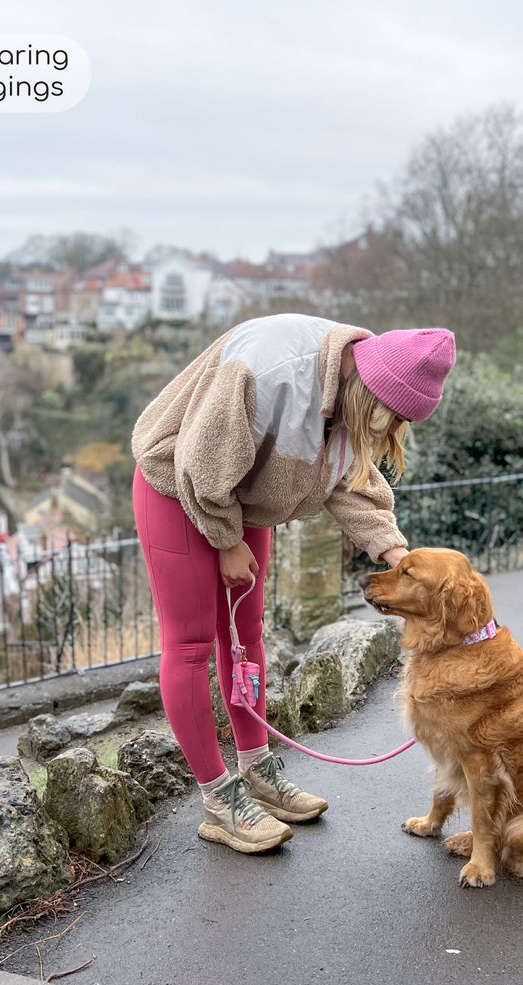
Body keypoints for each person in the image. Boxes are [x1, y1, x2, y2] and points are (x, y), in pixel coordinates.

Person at [131, 313, 456, 854]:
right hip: (180, 484)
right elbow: (198, 463)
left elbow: (350, 485)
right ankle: (219, 799)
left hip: (243, 500)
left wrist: (399, 559)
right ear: (370, 387)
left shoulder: (356, 393)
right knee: (191, 645)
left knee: (248, 635)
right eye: (392, 416)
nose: (392, 430)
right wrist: (225, 539)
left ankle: (257, 769)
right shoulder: (269, 369)